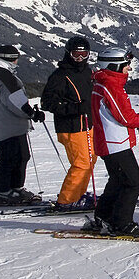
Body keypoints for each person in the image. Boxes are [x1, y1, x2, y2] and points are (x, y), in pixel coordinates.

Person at [86, 47, 139, 237]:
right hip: (115, 143)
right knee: (134, 182)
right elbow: (125, 117)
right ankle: (121, 224)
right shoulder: (111, 86)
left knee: (118, 180)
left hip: (110, 142)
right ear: (114, 66)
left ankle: (103, 217)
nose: (128, 68)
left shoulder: (103, 83)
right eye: (126, 64)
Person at [0, 45, 45, 204]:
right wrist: (32, 114)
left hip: (3, 123)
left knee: (18, 156)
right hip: (9, 125)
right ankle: (4, 191)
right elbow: (16, 103)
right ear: (12, 58)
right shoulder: (5, 77)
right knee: (11, 157)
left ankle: (13, 188)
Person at [40, 37, 97, 211]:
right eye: (76, 54)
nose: (79, 58)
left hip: (88, 125)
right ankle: (67, 200)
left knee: (90, 161)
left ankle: (79, 194)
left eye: (83, 54)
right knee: (81, 164)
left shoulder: (87, 72)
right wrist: (76, 108)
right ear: (68, 54)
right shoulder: (60, 76)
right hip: (71, 127)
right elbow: (47, 103)